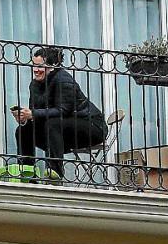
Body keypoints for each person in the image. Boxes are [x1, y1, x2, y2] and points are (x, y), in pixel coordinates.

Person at [12, 47, 107, 178]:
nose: (35, 70)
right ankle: (27, 174)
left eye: (40, 66)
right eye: (34, 65)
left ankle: (55, 171)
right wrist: (24, 118)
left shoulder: (63, 79)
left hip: (91, 125)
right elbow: (36, 112)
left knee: (53, 123)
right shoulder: (34, 85)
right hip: (60, 129)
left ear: (52, 66)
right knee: (23, 130)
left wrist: (33, 114)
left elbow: (64, 110)